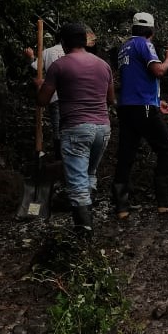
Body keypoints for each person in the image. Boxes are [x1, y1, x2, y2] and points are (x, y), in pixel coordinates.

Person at [36, 23, 114, 233]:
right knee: (89, 174)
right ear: (84, 41)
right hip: (102, 129)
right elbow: (111, 99)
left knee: (77, 182)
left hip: (76, 128)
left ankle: (84, 232)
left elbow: (43, 100)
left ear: (63, 43)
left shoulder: (60, 66)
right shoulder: (103, 65)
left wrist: (40, 85)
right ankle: (88, 219)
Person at [112, 12, 168, 218]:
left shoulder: (124, 47)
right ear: (151, 31)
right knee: (166, 149)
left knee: (126, 153)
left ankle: (121, 206)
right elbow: (158, 71)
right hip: (142, 107)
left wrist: (156, 100)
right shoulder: (145, 45)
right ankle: (165, 200)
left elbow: (137, 78)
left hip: (128, 106)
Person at [25, 32, 65, 159]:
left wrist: (30, 57)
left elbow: (35, 68)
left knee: (57, 124)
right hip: (71, 94)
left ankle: (59, 155)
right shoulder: (72, 52)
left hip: (53, 94)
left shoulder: (48, 52)